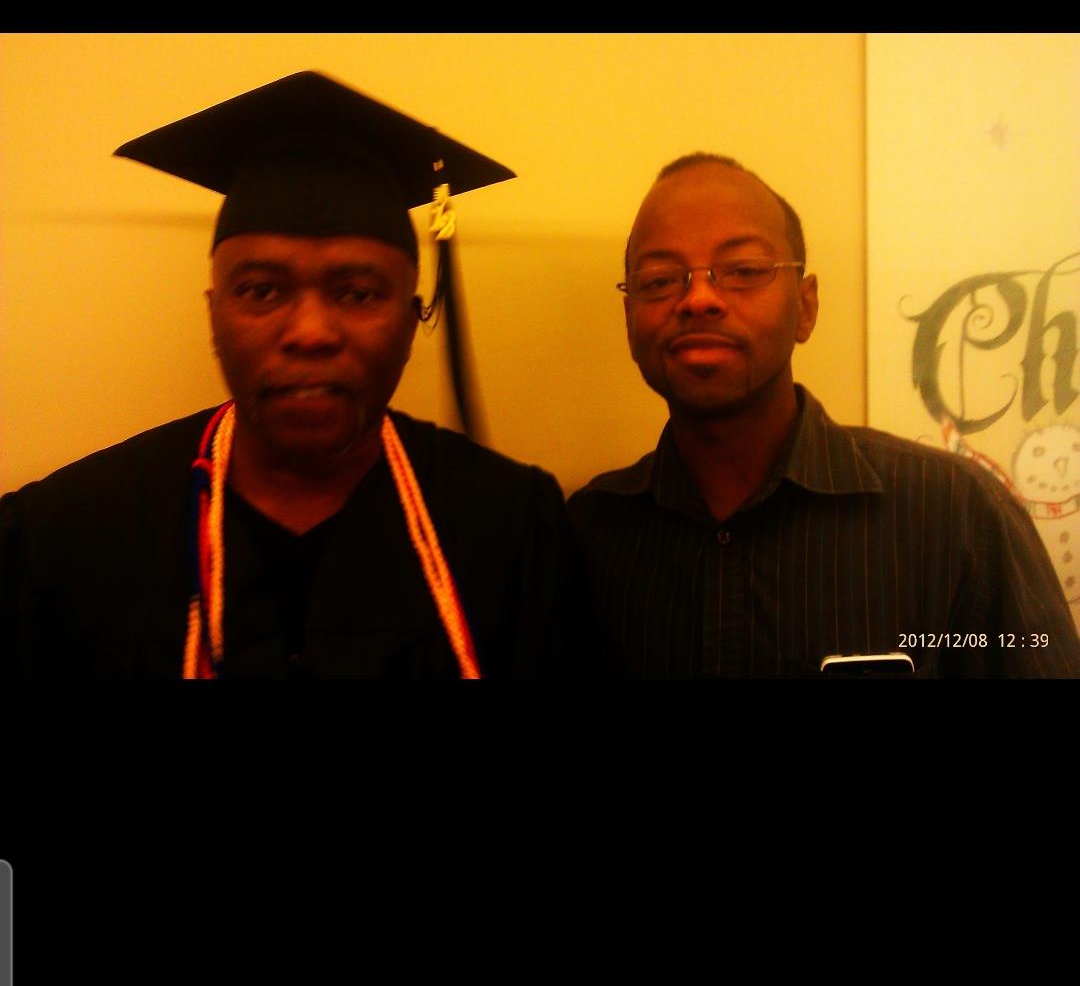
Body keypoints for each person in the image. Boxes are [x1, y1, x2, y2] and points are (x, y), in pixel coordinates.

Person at [0, 71, 585, 679]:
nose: (310, 331)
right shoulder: (65, 539)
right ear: (214, 316)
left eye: (357, 293)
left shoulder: (511, 530)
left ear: (412, 323)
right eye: (262, 290)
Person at [566, 153, 1080, 679]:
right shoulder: (588, 534)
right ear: (629, 318)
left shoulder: (956, 512)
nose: (699, 298)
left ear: (806, 307)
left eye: (743, 271)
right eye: (659, 280)